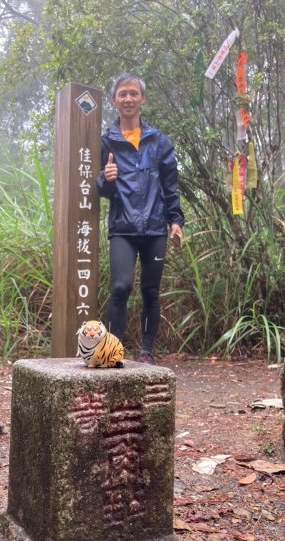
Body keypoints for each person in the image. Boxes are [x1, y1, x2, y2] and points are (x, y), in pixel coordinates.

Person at [96, 73, 184, 364]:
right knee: (121, 286)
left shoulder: (158, 141)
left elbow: (170, 186)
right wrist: (106, 179)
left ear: (142, 99)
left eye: (133, 93)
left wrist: (176, 222)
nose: (128, 99)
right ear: (114, 101)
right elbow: (102, 189)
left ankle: (146, 352)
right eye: (122, 94)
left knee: (150, 290)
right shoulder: (107, 141)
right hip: (122, 226)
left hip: (155, 228)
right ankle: (112, 353)